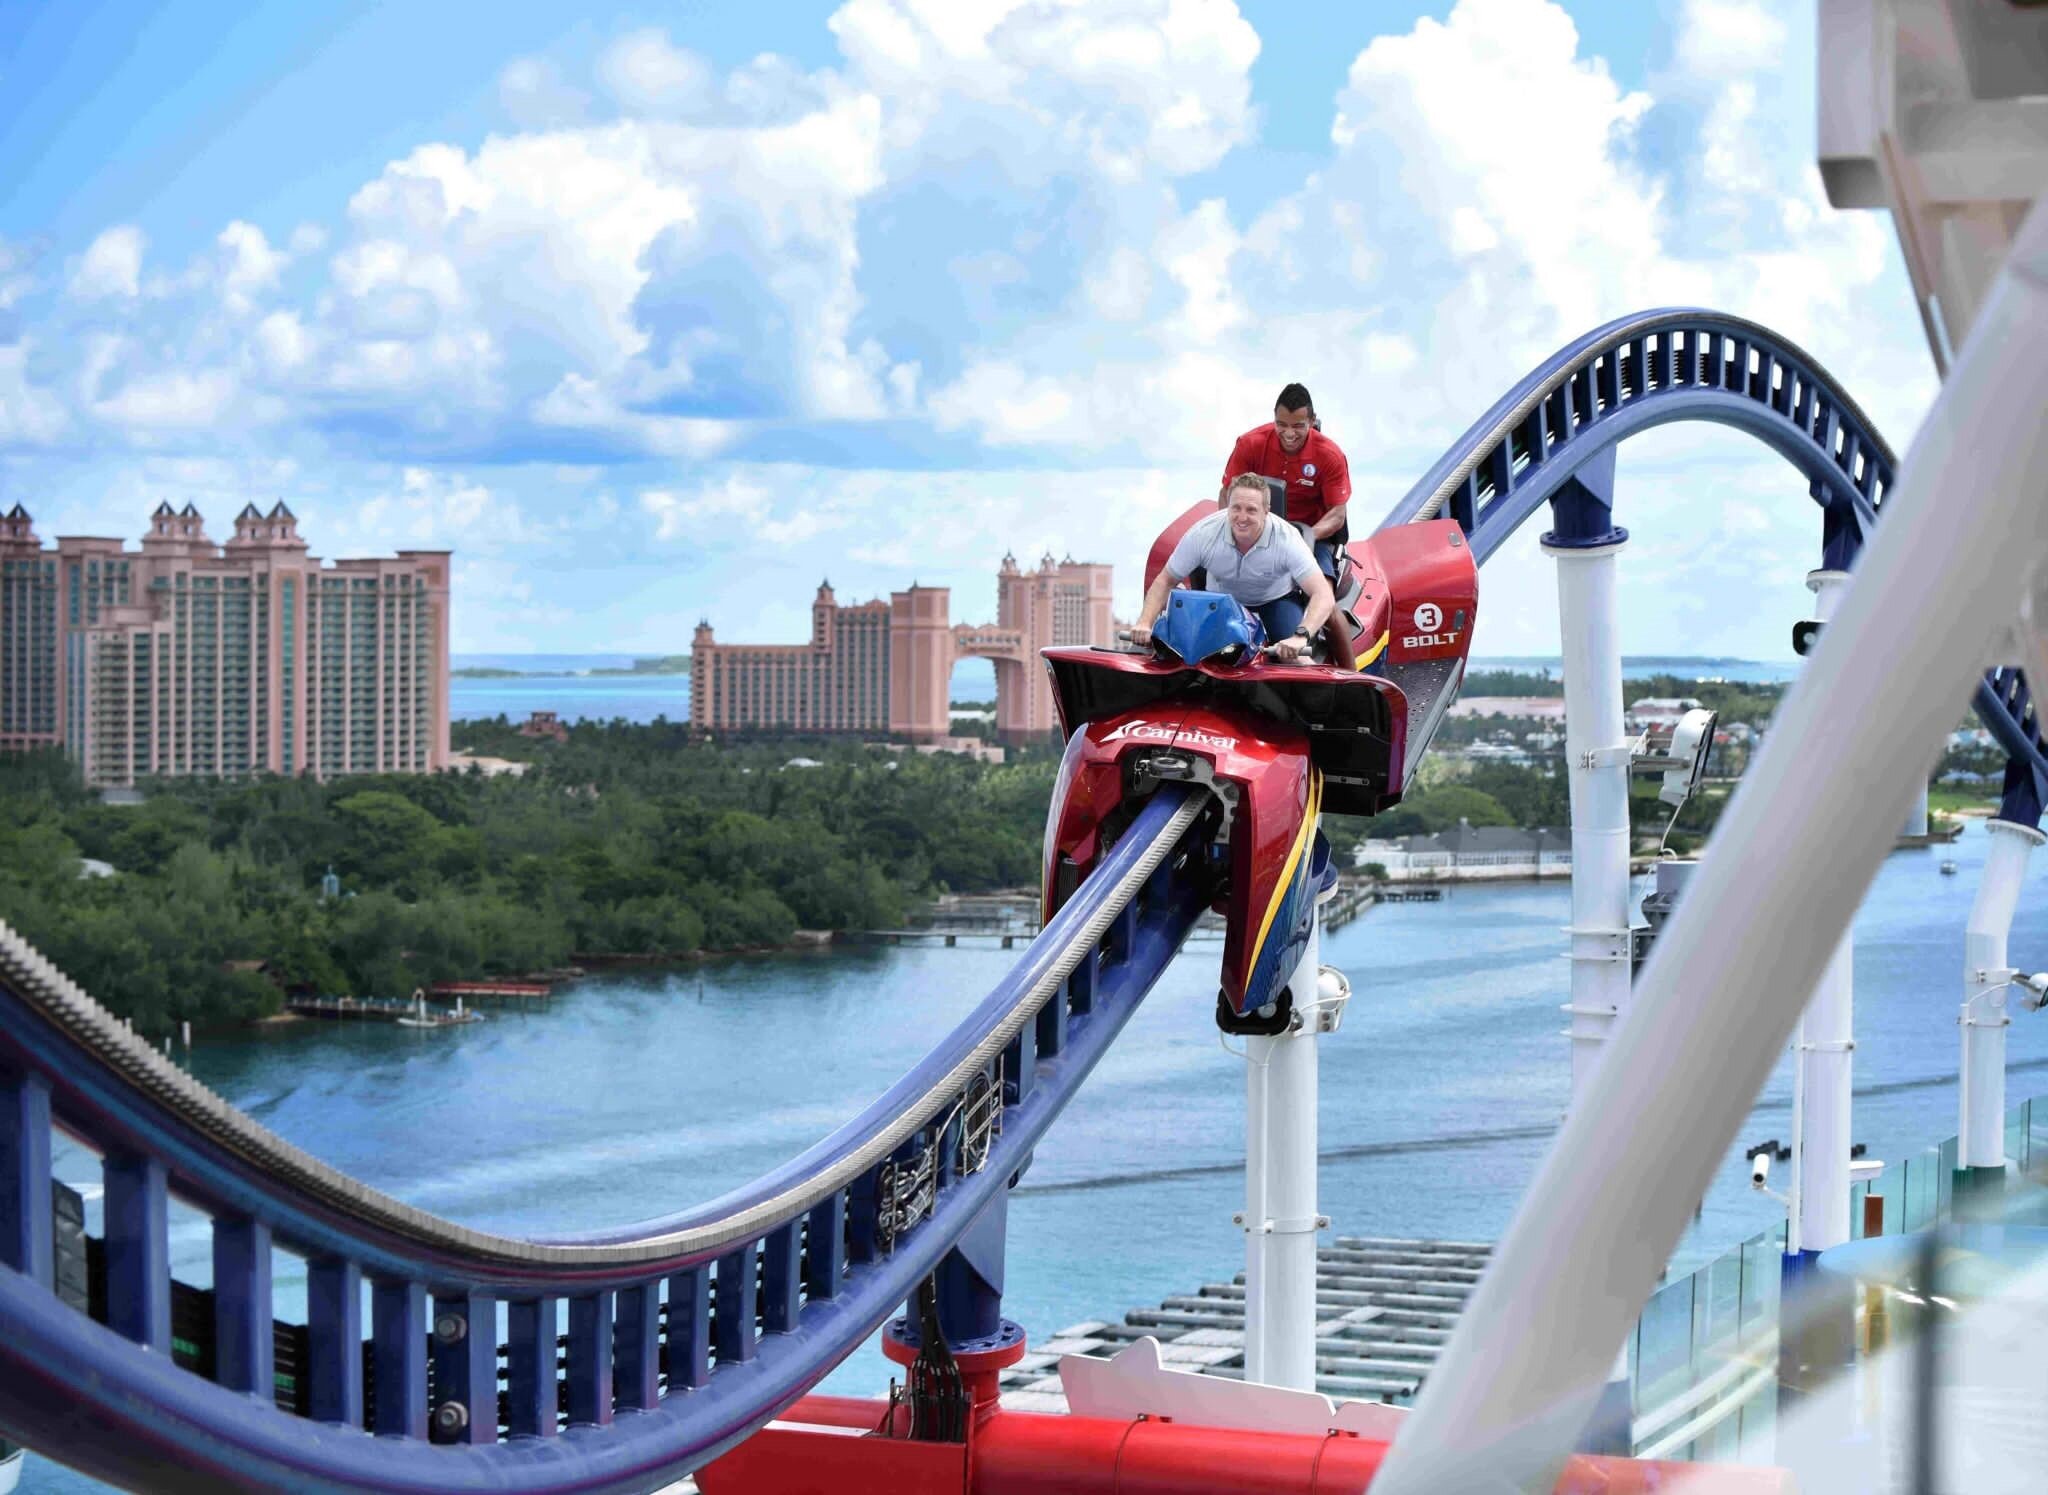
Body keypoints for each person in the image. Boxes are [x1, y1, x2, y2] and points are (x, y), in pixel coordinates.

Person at [1132, 474, 1334, 663]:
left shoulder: (1287, 538)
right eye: (1236, 508)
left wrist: (1301, 637)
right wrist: (1145, 622)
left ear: (1266, 511)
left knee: (1296, 658)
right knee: (1183, 654)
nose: (1242, 517)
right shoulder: (1203, 533)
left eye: (1251, 510)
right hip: (1221, 603)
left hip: (1275, 600)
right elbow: (1165, 580)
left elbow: (1322, 594)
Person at [1221, 382, 1352, 582]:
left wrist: (1305, 538)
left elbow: (1337, 515)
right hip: (1255, 530)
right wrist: (1232, 532)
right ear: (1274, 418)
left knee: (1323, 590)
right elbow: (1227, 493)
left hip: (1309, 536)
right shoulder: (1249, 444)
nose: (1289, 434)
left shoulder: (1330, 455)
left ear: (1312, 420)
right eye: (1282, 424)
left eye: (1298, 426)